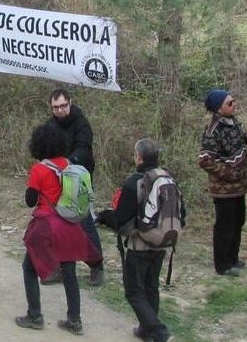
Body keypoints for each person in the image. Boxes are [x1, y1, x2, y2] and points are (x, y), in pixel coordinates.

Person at [15, 123, 100, 336]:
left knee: (29, 267)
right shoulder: (68, 164)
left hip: (46, 224)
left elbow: (30, 201)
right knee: (69, 270)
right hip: (69, 224)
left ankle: (34, 315)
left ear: (38, 145)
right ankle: (75, 320)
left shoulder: (39, 169)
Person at [96, 138, 179, 342]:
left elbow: (121, 219)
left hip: (139, 244)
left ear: (138, 157)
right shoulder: (167, 178)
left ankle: (159, 332)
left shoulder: (134, 182)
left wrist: (104, 217)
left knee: (133, 291)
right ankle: (145, 329)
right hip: (162, 242)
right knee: (151, 287)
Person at [46, 88, 104, 286]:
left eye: (63, 106)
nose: (60, 110)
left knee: (84, 224)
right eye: (56, 107)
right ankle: (60, 267)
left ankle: (97, 266)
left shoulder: (82, 124)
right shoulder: (50, 125)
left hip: (79, 181)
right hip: (56, 181)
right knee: (56, 226)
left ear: (70, 103)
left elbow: (84, 149)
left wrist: (68, 163)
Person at [199, 89, 247, 276]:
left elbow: (242, 139)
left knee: (238, 221)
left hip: (239, 187)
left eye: (233, 101)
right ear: (218, 108)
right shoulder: (213, 129)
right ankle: (223, 265)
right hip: (224, 189)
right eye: (229, 103)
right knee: (224, 226)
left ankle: (233, 259)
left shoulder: (233, 122)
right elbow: (205, 159)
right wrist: (229, 173)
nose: (234, 104)